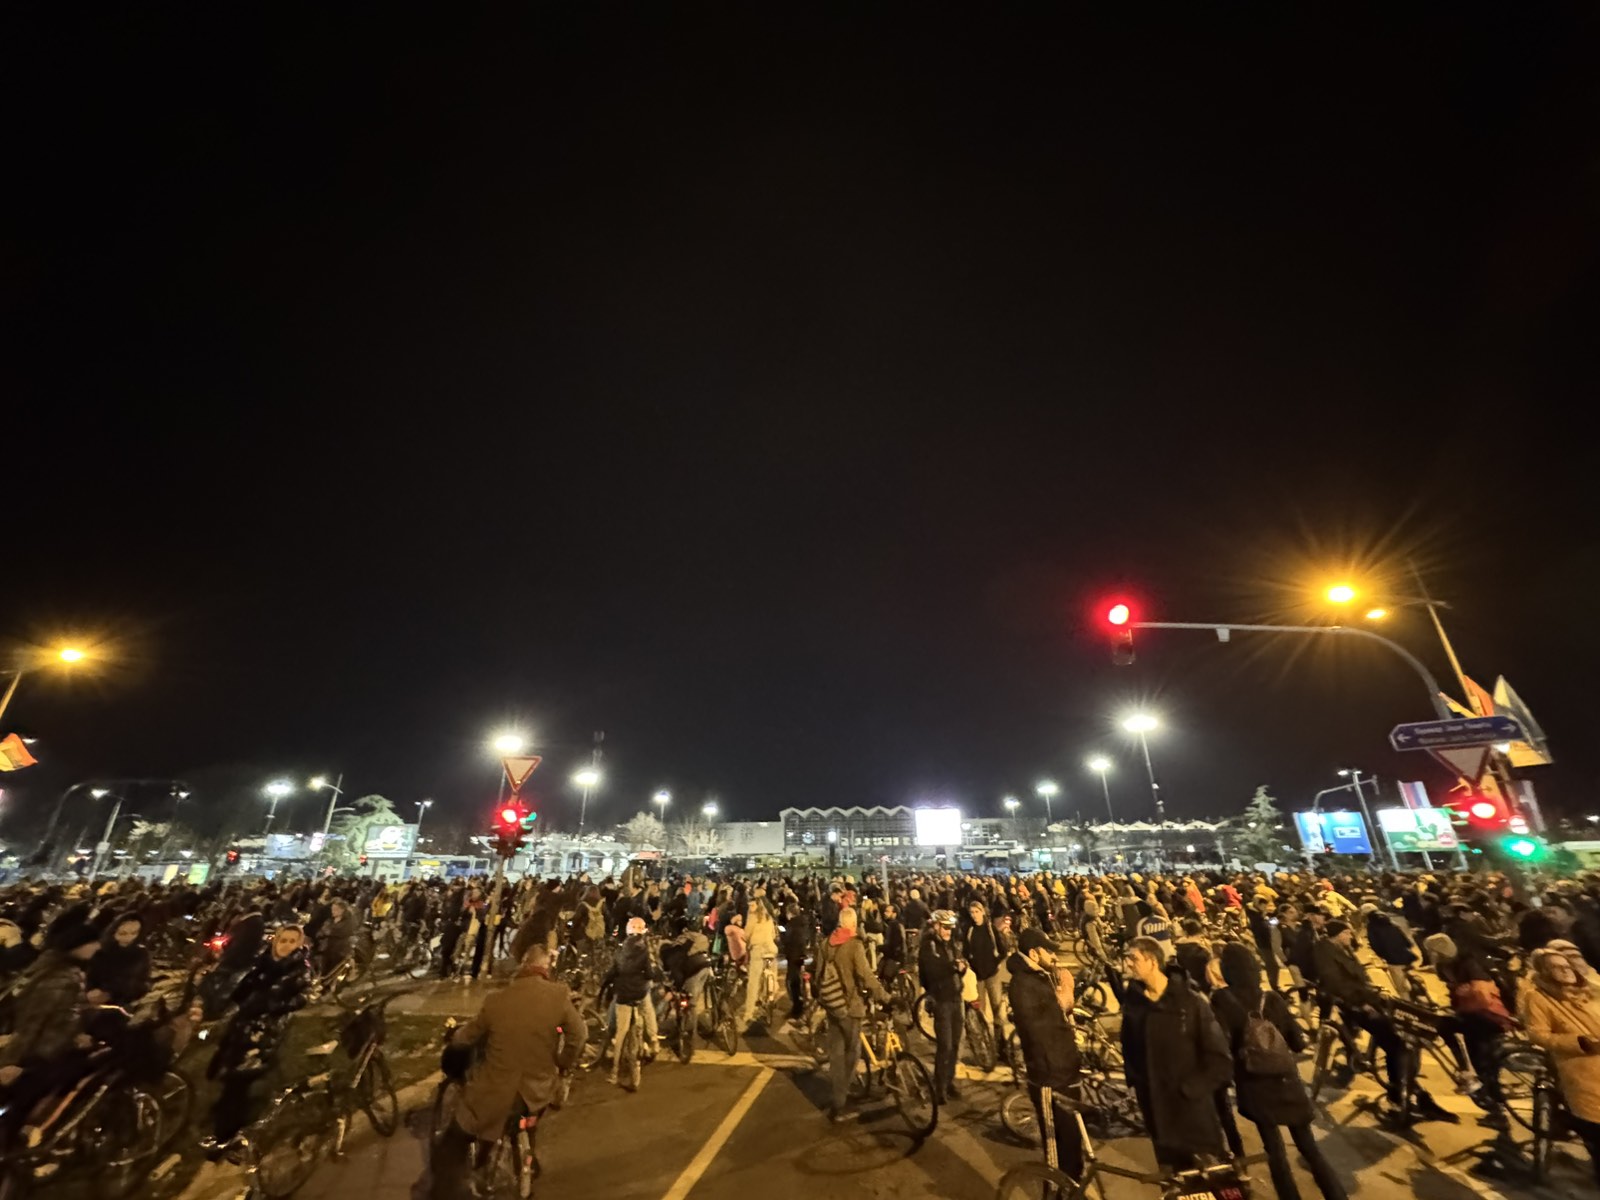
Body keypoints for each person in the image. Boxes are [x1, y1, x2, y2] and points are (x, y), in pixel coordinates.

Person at [430, 943, 585, 1200]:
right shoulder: (558, 996)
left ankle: (443, 1191)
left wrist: (453, 1036)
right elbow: (579, 1035)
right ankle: (528, 1159)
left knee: (456, 1136)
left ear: (522, 967)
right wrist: (562, 1063)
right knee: (526, 1118)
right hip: (538, 1090)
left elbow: (469, 1035)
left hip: (496, 1091)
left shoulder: (496, 1001)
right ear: (546, 968)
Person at [1211, 943, 1348, 1200]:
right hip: (1287, 1083)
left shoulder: (1222, 1000)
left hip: (1255, 1085)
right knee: (1310, 1149)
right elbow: (1297, 1042)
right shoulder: (1271, 998)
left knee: (1274, 1152)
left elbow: (1222, 1045)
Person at [1313, 920, 1449, 1122]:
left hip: (1364, 998)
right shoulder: (1324, 951)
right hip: (1352, 1004)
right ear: (1338, 935)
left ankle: (1410, 1089)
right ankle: (1397, 1099)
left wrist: (1373, 992)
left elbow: (1357, 975)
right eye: (1347, 933)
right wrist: (1362, 1002)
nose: (1351, 936)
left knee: (1403, 1031)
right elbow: (1336, 982)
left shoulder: (1342, 949)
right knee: (1395, 1044)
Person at [1119, 935, 1233, 1168]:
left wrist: (1191, 1090)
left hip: (1192, 1115)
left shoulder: (1191, 1002)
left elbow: (1219, 1058)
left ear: (1152, 961)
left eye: (1133, 958)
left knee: (1209, 1180)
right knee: (1173, 1178)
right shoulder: (1134, 1003)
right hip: (1157, 1115)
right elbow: (1129, 1048)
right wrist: (1138, 1085)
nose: (1128, 963)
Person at [205, 925, 311, 1149]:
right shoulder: (264, 961)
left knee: (240, 1079)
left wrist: (270, 1004)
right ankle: (225, 1113)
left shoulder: (299, 970)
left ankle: (227, 1137)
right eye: (283, 940)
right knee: (229, 1068)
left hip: (263, 1032)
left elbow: (302, 999)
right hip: (242, 1025)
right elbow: (244, 987)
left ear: (299, 944)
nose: (286, 945)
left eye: (292, 941)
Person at [1519, 945, 1600, 1186]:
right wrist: (1579, 1042)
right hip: (1581, 1067)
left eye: (1566, 966)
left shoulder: (1589, 991)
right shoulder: (1538, 997)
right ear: (1544, 972)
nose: (1565, 971)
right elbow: (1538, 1034)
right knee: (1595, 1125)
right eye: (1555, 967)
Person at [1007, 926, 1084, 1181]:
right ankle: (1058, 1191)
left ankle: (1072, 1188)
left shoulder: (1039, 977)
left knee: (1073, 1148)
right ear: (1033, 953)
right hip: (1050, 1078)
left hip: (1065, 1072)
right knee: (1058, 1155)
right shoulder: (1022, 984)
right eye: (1048, 951)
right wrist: (1067, 991)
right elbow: (1041, 1027)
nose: (1054, 956)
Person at [815, 906, 890, 1122]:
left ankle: (837, 1096)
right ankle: (840, 1102)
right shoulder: (854, 945)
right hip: (850, 1006)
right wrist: (885, 997)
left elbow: (818, 974)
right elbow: (866, 975)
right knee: (852, 1053)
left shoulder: (825, 944)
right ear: (854, 925)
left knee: (836, 1054)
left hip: (832, 1006)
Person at [598, 916, 658, 1086]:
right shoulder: (644, 950)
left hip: (623, 995)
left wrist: (604, 984)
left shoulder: (620, 952)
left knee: (621, 1032)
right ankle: (653, 1041)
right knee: (647, 1012)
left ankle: (614, 1071)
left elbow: (612, 972)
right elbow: (650, 973)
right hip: (639, 993)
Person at [920, 909, 965, 1103]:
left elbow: (956, 967)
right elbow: (933, 970)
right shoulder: (929, 945)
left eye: (950, 928)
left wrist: (961, 967)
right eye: (945, 927)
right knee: (945, 1045)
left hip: (955, 997)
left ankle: (949, 1080)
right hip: (942, 1000)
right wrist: (953, 966)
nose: (948, 931)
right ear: (936, 926)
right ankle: (939, 1087)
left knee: (955, 1044)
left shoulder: (949, 944)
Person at [964, 898, 1007, 1044]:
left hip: (992, 975)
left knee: (997, 1008)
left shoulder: (990, 929)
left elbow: (1003, 949)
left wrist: (996, 963)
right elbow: (965, 952)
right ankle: (986, 1042)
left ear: (982, 912)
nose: (974, 915)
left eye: (976, 912)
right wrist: (970, 965)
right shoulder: (969, 931)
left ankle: (1000, 1042)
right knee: (980, 1012)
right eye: (972, 912)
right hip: (978, 977)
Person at [86, 914, 151, 1010]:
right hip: (97, 1001)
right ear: (114, 932)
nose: (129, 937)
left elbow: (141, 982)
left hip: (126, 1002)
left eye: (134, 933)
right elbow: (91, 976)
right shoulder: (101, 952)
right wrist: (91, 992)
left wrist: (110, 993)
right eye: (123, 933)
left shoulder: (141, 954)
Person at [741, 886, 779, 1031]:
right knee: (772, 973)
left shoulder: (753, 917)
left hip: (758, 951)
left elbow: (746, 934)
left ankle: (749, 1013)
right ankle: (770, 996)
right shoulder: (769, 917)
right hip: (771, 950)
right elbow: (773, 935)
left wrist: (747, 940)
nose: (750, 907)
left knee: (754, 982)